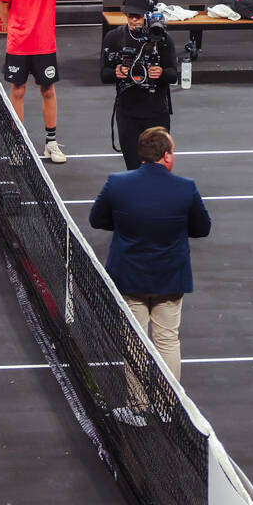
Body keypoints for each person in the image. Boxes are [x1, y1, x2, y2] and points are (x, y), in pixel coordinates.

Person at [89, 126, 211, 423]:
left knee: (134, 342)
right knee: (167, 341)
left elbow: (97, 219)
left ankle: (138, 408)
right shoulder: (185, 188)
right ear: (166, 156)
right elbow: (202, 228)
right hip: (169, 279)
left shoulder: (118, 184)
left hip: (130, 278)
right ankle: (168, 408)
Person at [0, 0, 67, 163]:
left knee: (48, 90)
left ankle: (51, 143)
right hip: (18, 45)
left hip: (45, 44)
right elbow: (3, 6)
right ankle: (18, 145)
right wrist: (14, 29)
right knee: (18, 90)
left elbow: (49, 1)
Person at [99, 0, 178, 170]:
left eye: (138, 16)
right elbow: (104, 75)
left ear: (147, 15)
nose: (133, 20)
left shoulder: (162, 39)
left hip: (156, 112)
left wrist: (161, 73)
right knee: (133, 167)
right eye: (130, 15)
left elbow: (173, 74)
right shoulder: (114, 38)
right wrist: (116, 72)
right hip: (128, 113)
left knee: (158, 167)